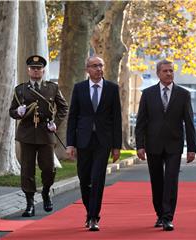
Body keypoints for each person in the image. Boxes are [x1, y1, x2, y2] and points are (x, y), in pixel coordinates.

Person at [135, 59, 196, 231]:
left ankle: (168, 217)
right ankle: (160, 214)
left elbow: (189, 122)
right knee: (157, 182)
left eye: (171, 70)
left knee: (171, 181)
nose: (169, 73)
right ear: (158, 73)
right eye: (165, 71)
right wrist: (140, 145)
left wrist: (192, 148)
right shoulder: (147, 94)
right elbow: (141, 122)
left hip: (174, 146)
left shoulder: (183, 94)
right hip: (152, 144)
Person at [66, 56, 122, 231]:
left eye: (101, 65)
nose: (98, 69)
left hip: (103, 142)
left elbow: (116, 119)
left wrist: (116, 146)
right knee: (84, 180)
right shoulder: (79, 88)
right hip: (83, 141)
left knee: (98, 179)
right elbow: (73, 117)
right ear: (87, 69)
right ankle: (89, 210)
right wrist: (70, 143)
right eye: (94, 66)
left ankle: (93, 217)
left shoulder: (112, 89)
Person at [9, 55, 68, 217]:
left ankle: (46, 192)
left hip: (46, 133)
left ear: (43, 70)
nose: (36, 71)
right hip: (27, 134)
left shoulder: (52, 88)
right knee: (27, 170)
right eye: (33, 68)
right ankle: (29, 204)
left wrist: (56, 123)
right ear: (28, 70)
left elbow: (63, 108)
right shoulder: (20, 89)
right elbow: (11, 111)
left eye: (39, 68)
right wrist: (18, 112)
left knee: (49, 168)